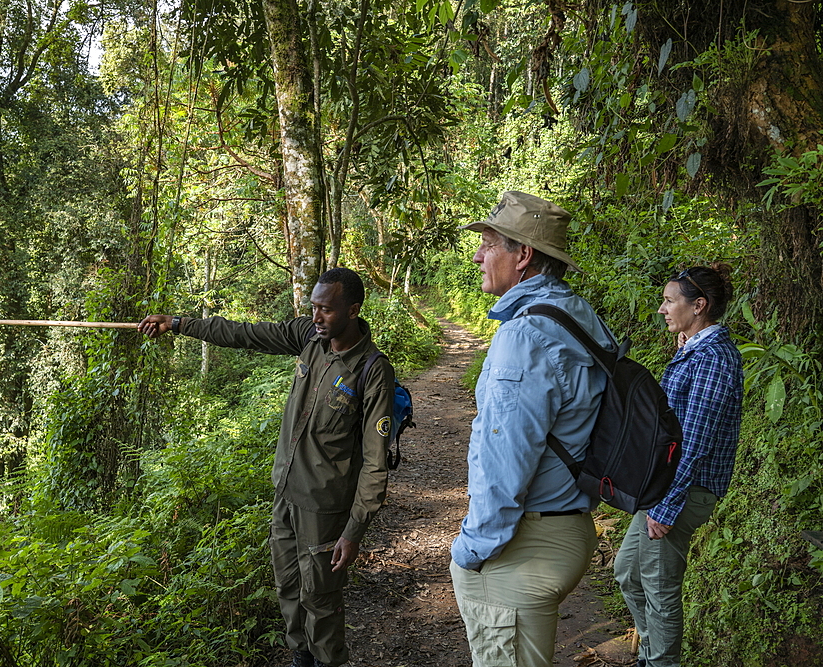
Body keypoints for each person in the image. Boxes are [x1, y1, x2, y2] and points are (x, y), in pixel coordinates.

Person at [138, 267, 395, 667]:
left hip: (325, 508)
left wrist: (354, 530)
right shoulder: (309, 338)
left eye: (326, 309)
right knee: (288, 588)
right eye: (313, 307)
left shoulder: (372, 371)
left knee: (321, 599)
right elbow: (246, 334)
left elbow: (376, 464)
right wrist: (178, 323)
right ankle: (300, 659)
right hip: (286, 493)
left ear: (353, 310)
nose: (316, 317)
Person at [450, 190, 615, 667]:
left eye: (489, 244)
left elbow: (507, 456)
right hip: (570, 525)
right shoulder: (577, 314)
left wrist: (473, 549)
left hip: (527, 544)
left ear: (523, 255)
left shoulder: (523, 335)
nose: (479, 255)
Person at [613, 264, 743, 667]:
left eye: (670, 301)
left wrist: (666, 505)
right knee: (628, 575)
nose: (661, 309)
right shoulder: (695, 348)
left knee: (658, 588)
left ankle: (658, 662)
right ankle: (651, 655)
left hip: (683, 491)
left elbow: (696, 440)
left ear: (699, 305)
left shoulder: (714, 359)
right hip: (666, 489)